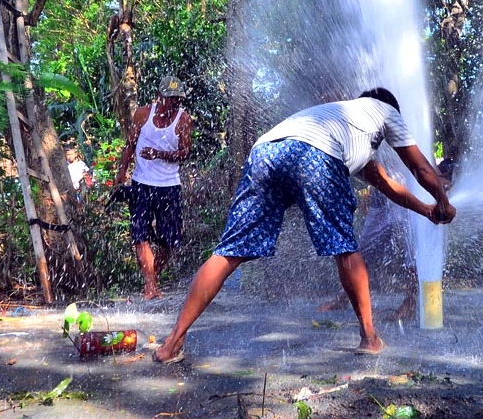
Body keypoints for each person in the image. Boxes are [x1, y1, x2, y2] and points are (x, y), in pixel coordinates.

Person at [152, 88, 455, 363]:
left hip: (265, 152)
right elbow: (421, 167)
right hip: (315, 154)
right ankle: (369, 338)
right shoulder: (386, 110)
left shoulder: (346, 126)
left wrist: (427, 210)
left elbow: (388, 185)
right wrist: (442, 200)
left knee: (229, 252)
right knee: (345, 248)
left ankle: (172, 343)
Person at [318, 156, 456, 320]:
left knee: (412, 254)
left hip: (410, 201)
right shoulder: (373, 135)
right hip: (381, 201)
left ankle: (409, 304)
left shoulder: (408, 134)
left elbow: (426, 162)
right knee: (361, 252)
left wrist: (440, 184)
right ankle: (345, 297)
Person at [114, 75, 194, 300]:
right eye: (171, 99)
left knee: (170, 241)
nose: (174, 104)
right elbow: (130, 144)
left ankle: (152, 279)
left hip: (169, 186)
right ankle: (150, 285)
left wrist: (160, 154)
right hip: (141, 183)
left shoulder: (183, 119)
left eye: (178, 100)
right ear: (159, 97)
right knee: (140, 234)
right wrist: (121, 172)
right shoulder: (142, 114)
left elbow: (185, 153)